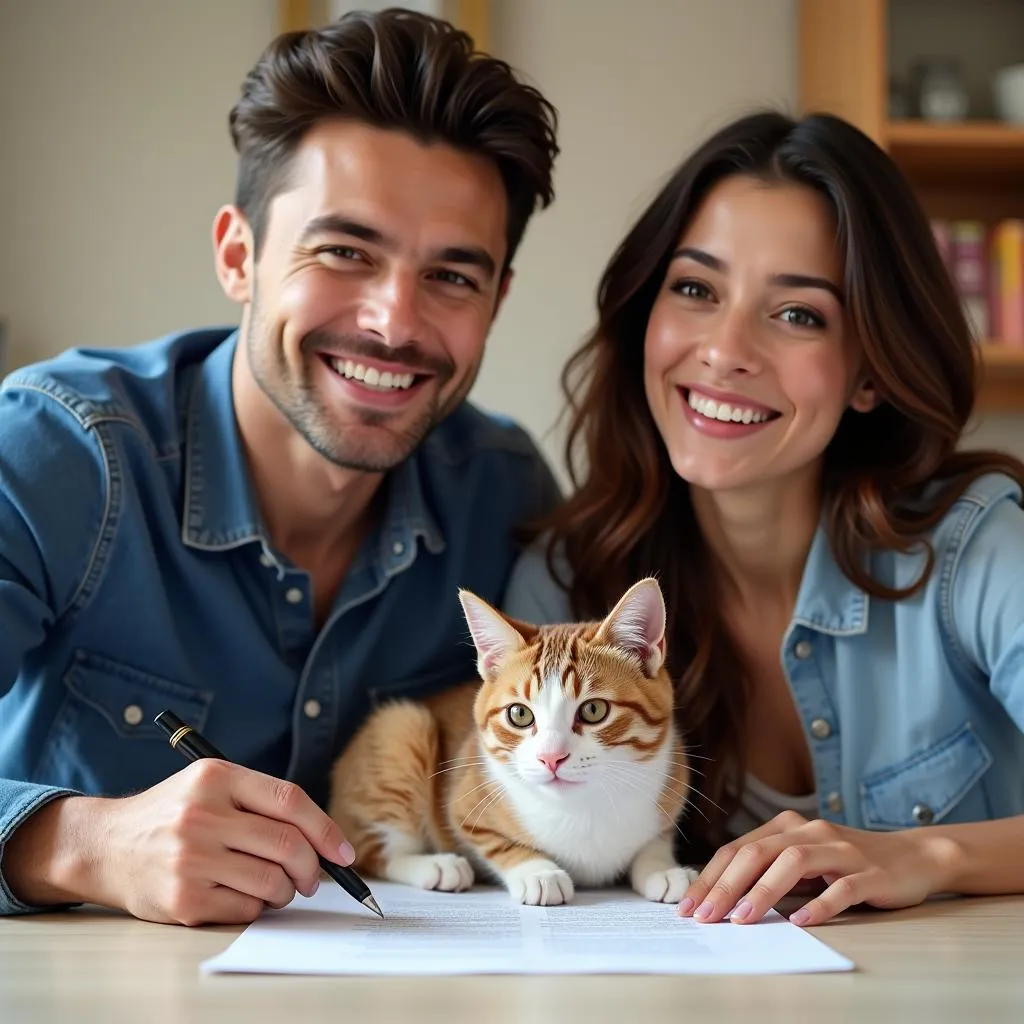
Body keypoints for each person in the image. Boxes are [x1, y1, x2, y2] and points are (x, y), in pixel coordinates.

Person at [0, 8, 561, 925]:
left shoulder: (503, 492)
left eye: (452, 276)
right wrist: (76, 843)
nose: (394, 322)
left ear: (496, 301)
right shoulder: (58, 452)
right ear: (239, 254)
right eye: (345, 252)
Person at [503, 110, 1024, 928]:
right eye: (696, 290)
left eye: (798, 314)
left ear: (868, 373)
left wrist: (929, 854)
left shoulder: (980, 553)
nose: (725, 349)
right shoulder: (569, 584)